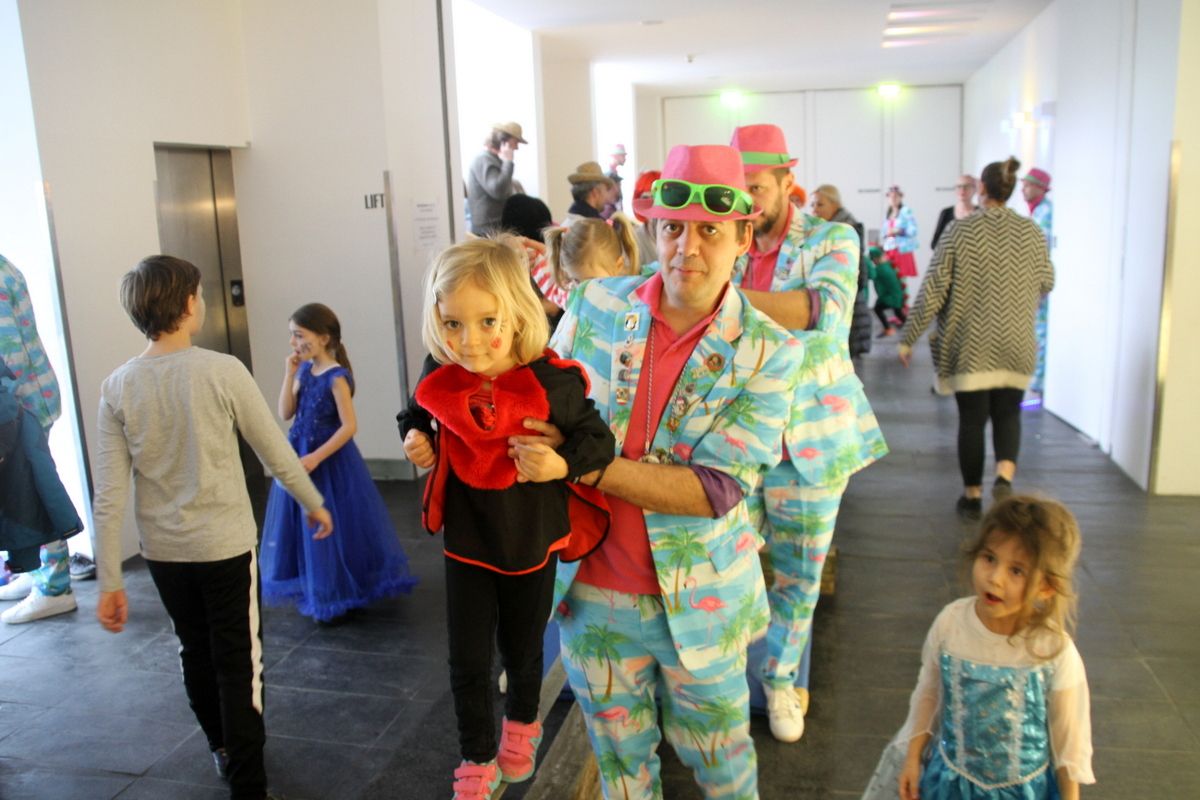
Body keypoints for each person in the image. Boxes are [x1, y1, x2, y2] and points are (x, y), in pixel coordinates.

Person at [547, 143, 803, 799]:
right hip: (591, 596)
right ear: (654, 231)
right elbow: (538, 403)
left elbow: (714, 489)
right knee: (621, 772)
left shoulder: (769, 350)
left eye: (709, 231)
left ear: (742, 237)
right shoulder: (596, 305)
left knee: (725, 772)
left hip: (701, 606)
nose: (687, 248)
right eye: (673, 229)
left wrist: (588, 466)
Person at [93, 255, 333, 800]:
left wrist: (110, 579)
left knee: (195, 652)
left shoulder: (117, 387)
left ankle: (222, 748)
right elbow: (274, 451)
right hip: (224, 547)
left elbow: (110, 494)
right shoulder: (222, 371)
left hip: (163, 553)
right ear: (187, 304)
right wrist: (312, 502)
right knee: (238, 664)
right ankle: (248, 784)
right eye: (199, 294)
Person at [398, 237, 615, 800]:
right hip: (466, 540)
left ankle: (522, 721)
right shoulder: (439, 368)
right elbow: (415, 411)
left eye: (486, 321)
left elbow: (598, 441)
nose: (468, 341)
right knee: (467, 657)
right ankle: (475, 753)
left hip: (530, 540)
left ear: (517, 314)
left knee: (521, 647)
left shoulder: (552, 382)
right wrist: (416, 437)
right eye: (452, 323)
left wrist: (559, 462)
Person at [729, 125, 887, 743]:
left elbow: (822, 312)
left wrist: (721, 298)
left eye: (757, 187)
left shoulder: (832, 238)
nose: (748, 201)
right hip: (738, 439)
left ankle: (780, 683)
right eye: (737, 189)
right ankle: (727, 677)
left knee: (798, 576)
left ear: (786, 181)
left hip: (811, 441)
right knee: (726, 564)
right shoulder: (727, 243)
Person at [861, 496, 1094, 800]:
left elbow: (1068, 741)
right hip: (949, 786)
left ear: (1046, 587)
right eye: (989, 558)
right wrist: (913, 757)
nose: (994, 578)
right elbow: (929, 693)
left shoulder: (1052, 650)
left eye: (1016, 571)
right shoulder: (951, 624)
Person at [898, 157, 1054, 521]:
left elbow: (934, 288)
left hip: (971, 344)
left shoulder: (960, 231)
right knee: (1008, 414)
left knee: (972, 420)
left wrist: (909, 337)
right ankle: (1004, 476)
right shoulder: (1031, 232)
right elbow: (1048, 280)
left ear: (981, 189)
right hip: (1017, 342)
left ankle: (972, 496)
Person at [260, 303, 416, 622]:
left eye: (298, 335)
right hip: (301, 453)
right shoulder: (303, 371)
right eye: (292, 335)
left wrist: (316, 456)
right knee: (304, 522)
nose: (293, 342)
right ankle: (317, 584)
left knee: (333, 523)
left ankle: (336, 589)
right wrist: (289, 373)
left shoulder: (336, 378)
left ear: (323, 338)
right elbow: (286, 412)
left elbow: (349, 426)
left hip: (328, 460)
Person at [0, 253, 83, 623]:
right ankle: (36, 573)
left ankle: (54, 588)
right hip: (29, 396)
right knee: (28, 490)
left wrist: (9, 404)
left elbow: (9, 351)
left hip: (21, 402)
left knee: (36, 492)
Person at [811, 183, 872, 357]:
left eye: (820, 204)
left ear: (835, 204)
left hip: (846, 304)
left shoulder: (845, 230)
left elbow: (856, 273)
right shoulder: (829, 228)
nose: (814, 210)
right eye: (813, 204)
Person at [543, 213, 639, 296]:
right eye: (576, 280)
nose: (582, 291)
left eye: (591, 281)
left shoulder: (633, 302)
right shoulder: (575, 296)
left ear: (618, 266)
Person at [1022, 168, 1053, 401]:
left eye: (1028, 185)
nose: (1023, 189)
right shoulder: (1037, 212)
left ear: (1040, 188)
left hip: (1039, 284)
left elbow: (1041, 252)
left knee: (1040, 334)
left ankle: (1037, 386)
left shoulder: (1046, 213)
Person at [468, 121, 527, 236]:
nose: (517, 147)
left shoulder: (494, 160)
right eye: (515, 142)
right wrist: (508, 162)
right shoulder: (483, 159)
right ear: (503, 140)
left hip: (495, 226)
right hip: (487, 230)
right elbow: (498, 191)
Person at [883, 185, 919, 311]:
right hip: (890, 250)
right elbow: (885, 232)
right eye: (891, 196)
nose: (893, 199)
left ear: (900, 197)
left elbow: (913, 230)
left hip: (901, 250)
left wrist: (898, 231)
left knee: (901, 281)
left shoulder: (905, 211)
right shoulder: (889, 213)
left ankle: (903, 308)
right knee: (892, 281)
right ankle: (896, 307)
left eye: (896, 196)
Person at [931, 175, 978, 251]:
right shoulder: (946, 213)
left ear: (975, 189)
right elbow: (934, 243)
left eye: (967, 186)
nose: (962, 190)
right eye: (959, 186)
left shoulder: (981, 212)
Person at [867, 247, 906, 337]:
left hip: (891, 297)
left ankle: (889, 329)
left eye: (873, 259)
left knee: (878, 309)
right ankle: (909, 328)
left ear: (876, 258)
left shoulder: (880, 269)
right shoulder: (887, 265)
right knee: (898, 313)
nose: (873, 261)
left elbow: (871, 275)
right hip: (897, 296)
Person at [630, 169, 662, 267]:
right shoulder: (633, 239)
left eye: (656, 198)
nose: (651, 204)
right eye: (645, 199)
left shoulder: (677, 235)